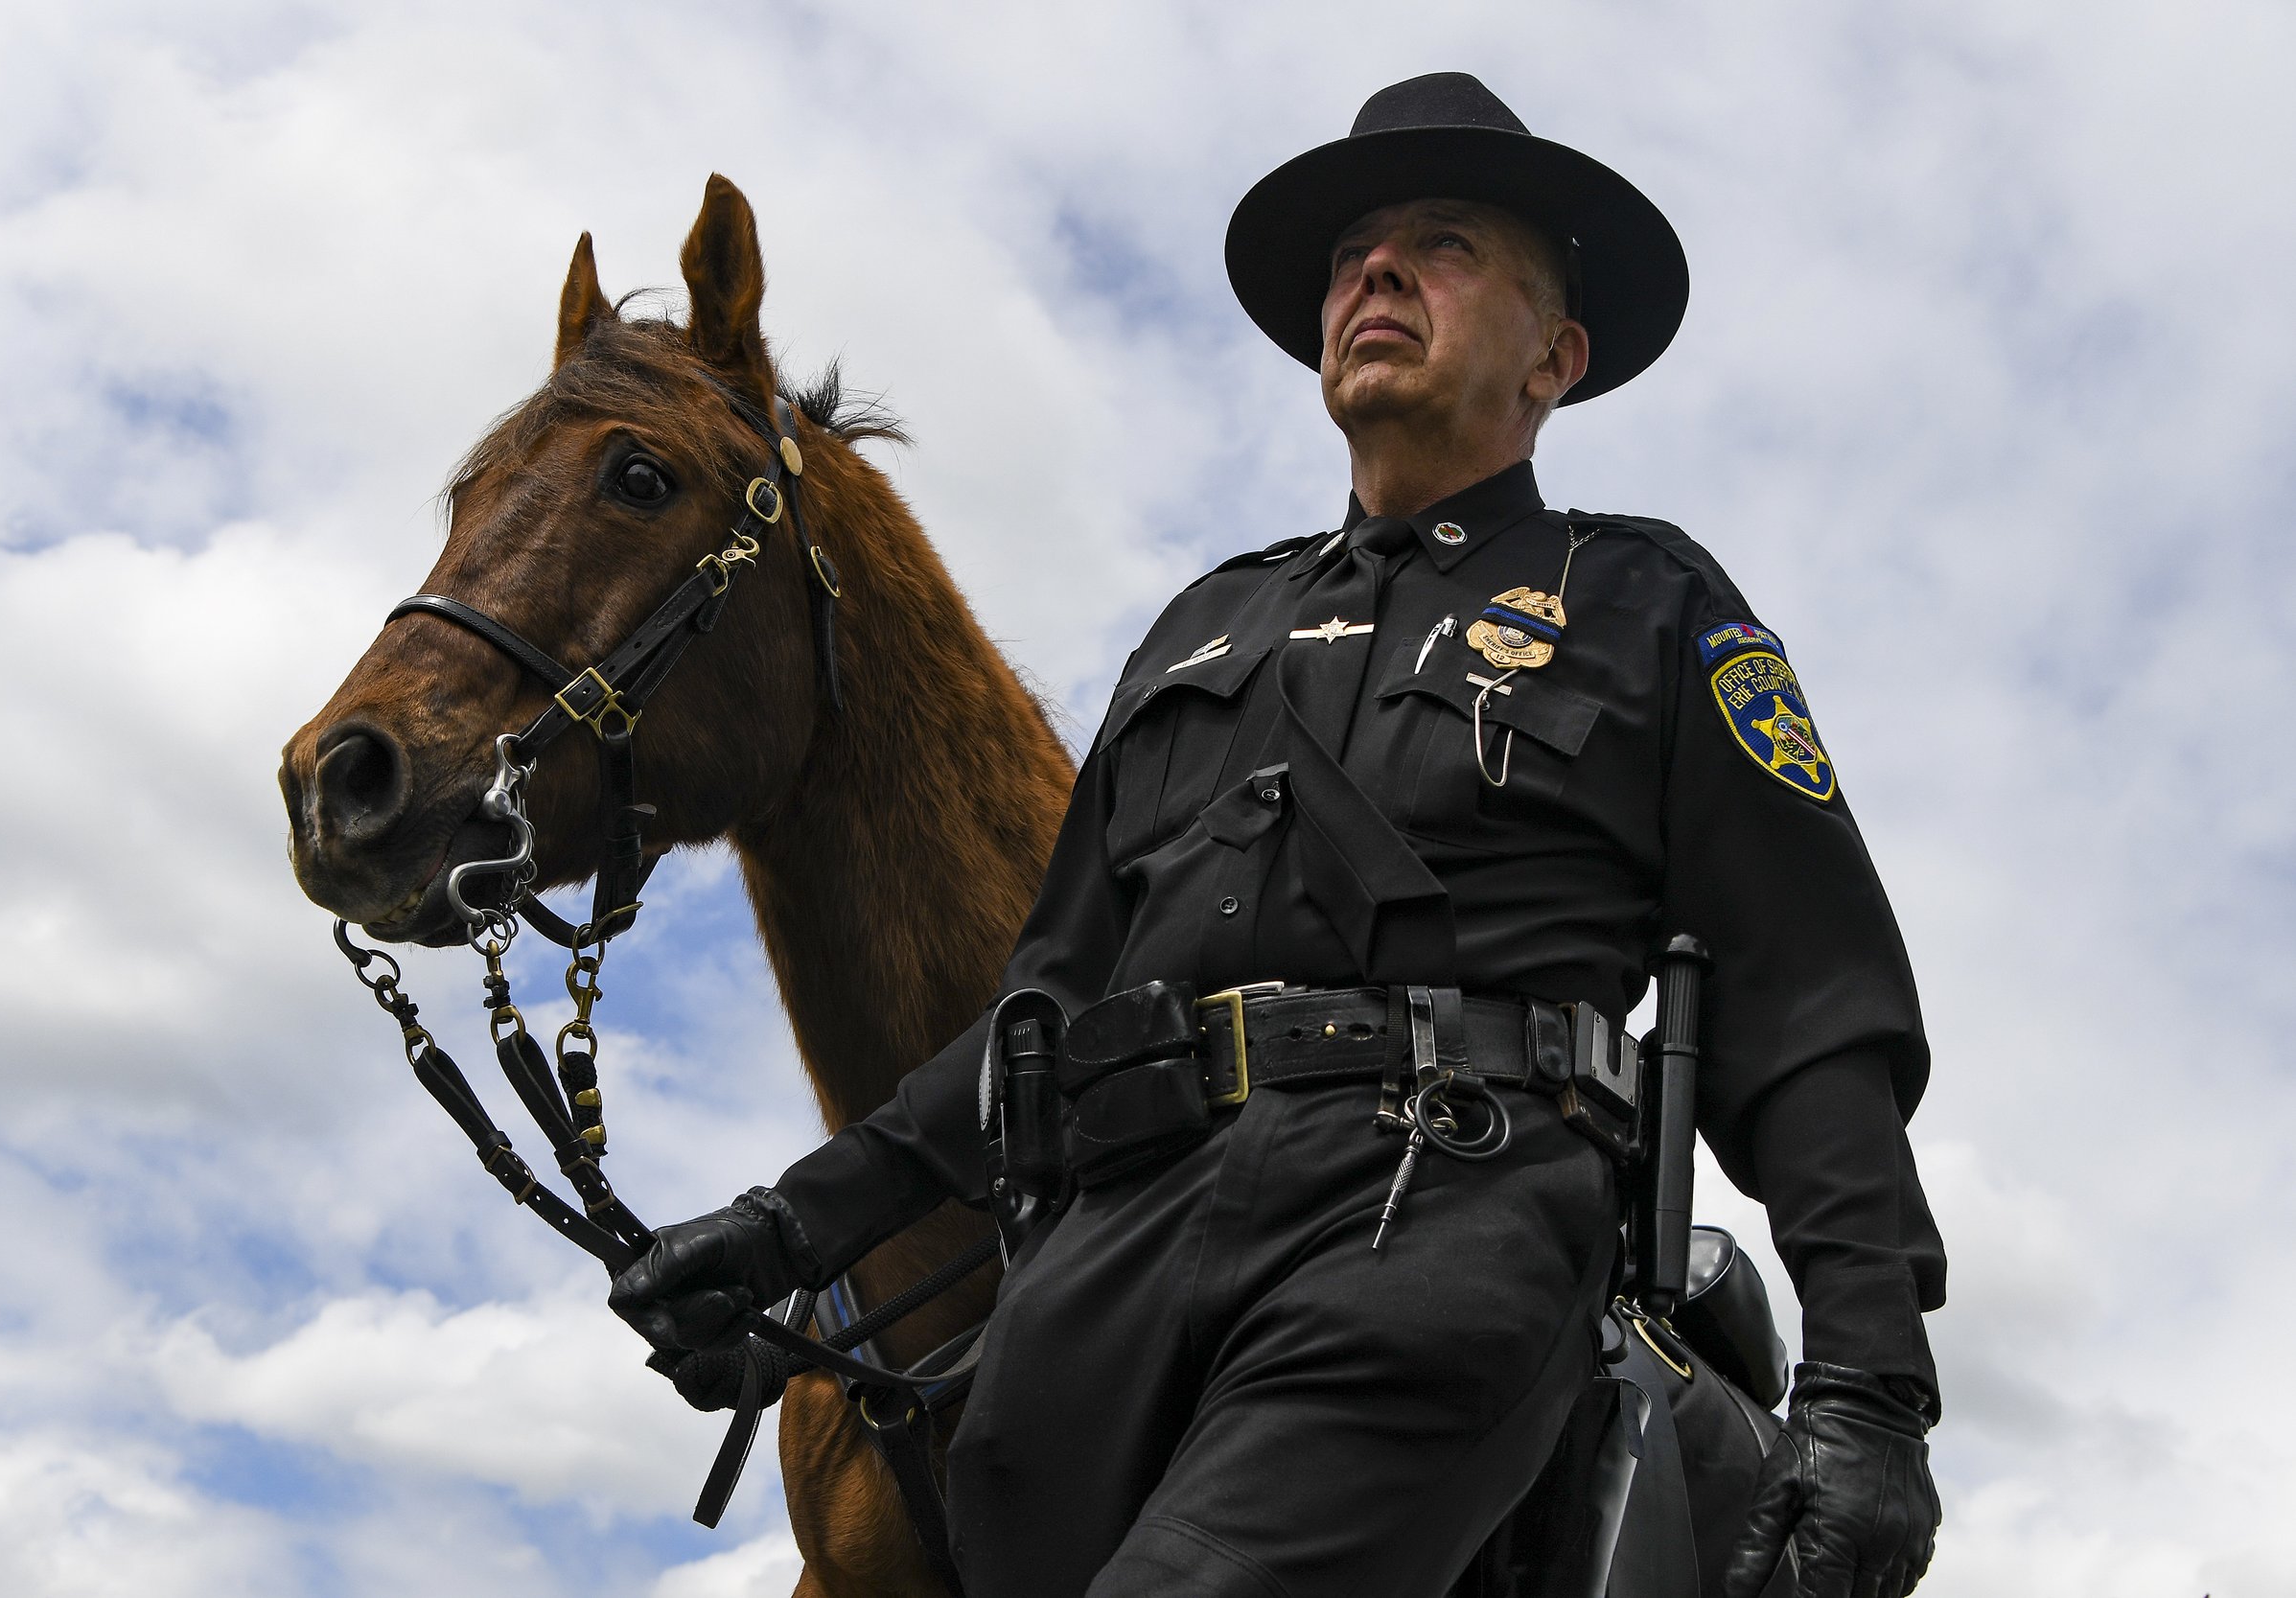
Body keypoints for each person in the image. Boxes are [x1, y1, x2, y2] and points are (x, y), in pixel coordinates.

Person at [613, 72, 1944, 1598]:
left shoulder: (1643, 604)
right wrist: (793, 1226)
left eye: (1440, 243)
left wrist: (1870, 1395)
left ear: (1555, 358)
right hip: (1119, 1261)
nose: (1371, 272)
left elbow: (1809, 1011)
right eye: (1351, 253)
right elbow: (1038, 1023)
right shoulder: (1201, 631)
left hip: (1436, 1218)